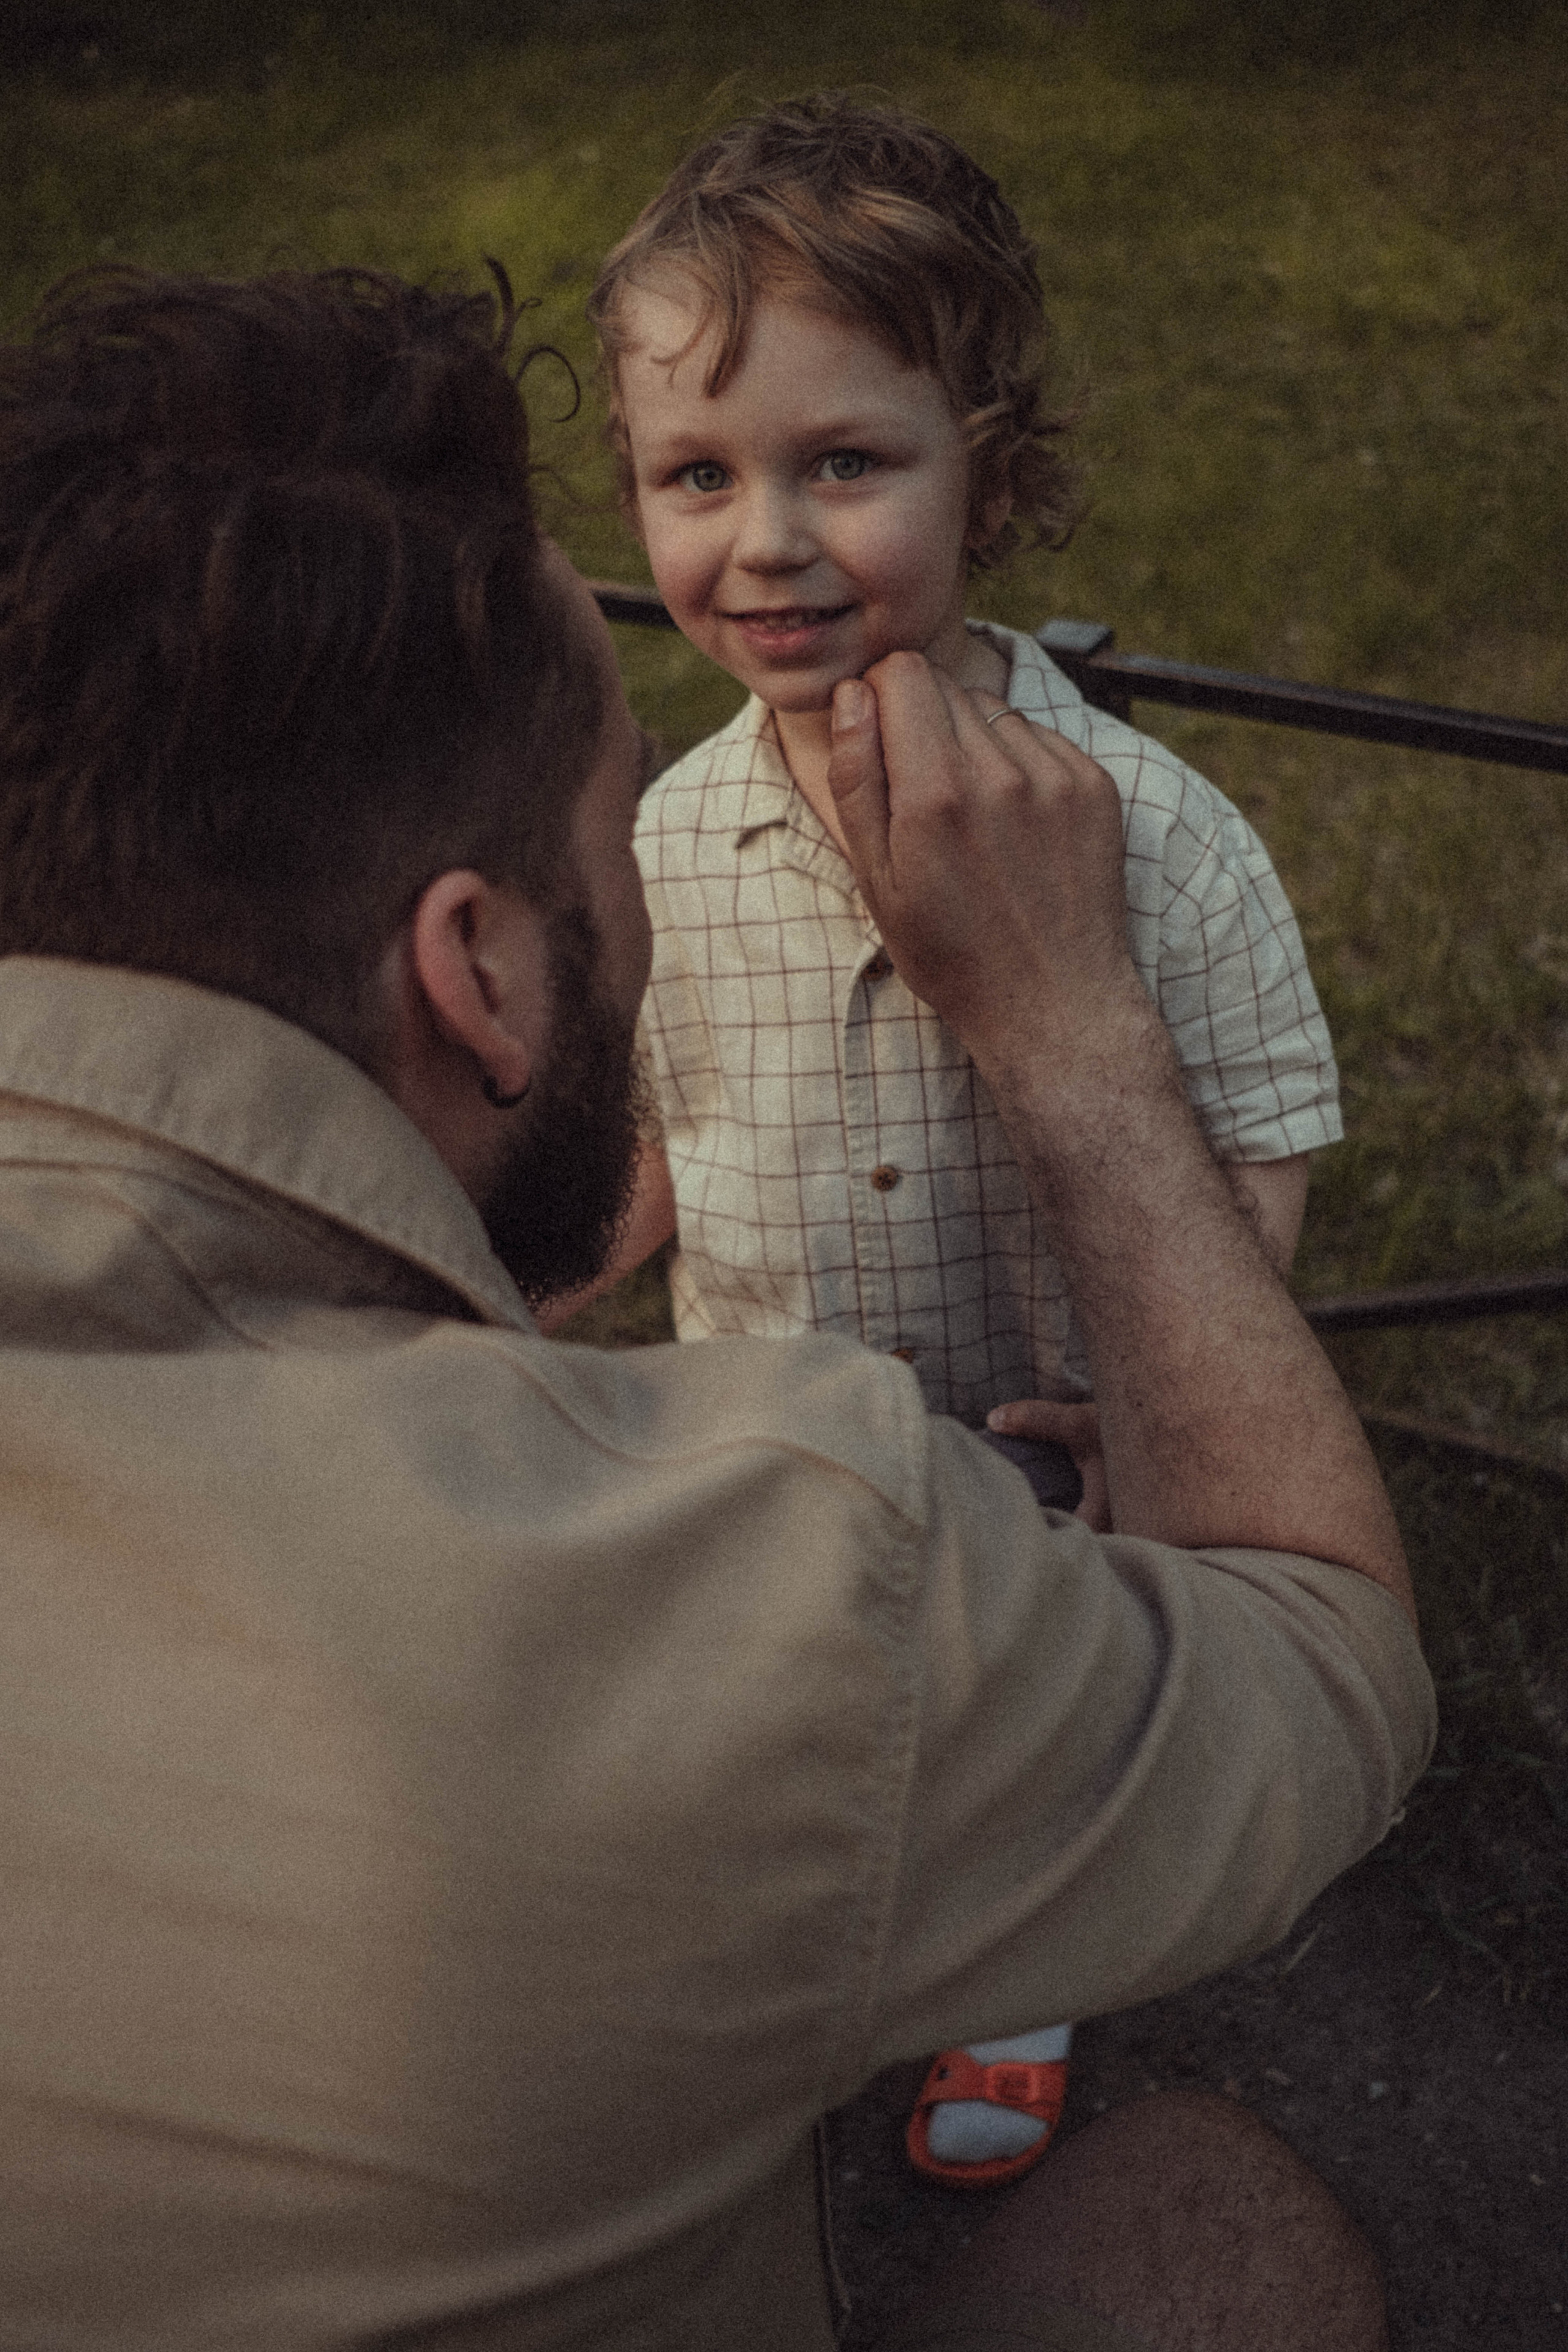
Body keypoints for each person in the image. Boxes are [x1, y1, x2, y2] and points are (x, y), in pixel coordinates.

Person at [0, 263, 1433, 2352]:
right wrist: (1068, 1037)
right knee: (1223, 2228)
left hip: (1012, 1472)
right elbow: (1328, 1666)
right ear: (480, 975)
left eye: (843, 460)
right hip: (907, 1657)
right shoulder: (753, 1592)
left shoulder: (1170, 845)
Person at [579, 94, 1343, 2186]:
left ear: (985, 477)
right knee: (803, 1726)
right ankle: (815, 1973)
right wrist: (573, 1280)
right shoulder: (665, 830)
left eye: (847, 462)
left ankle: (1015, 1985)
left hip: (1034, 1426)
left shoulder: (1143, 832)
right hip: (772, 1430)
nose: (769, 541)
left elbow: (1266, 1124)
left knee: (1019, 1738)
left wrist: (1170, 1402)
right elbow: (666, 1116)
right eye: (697, 477)